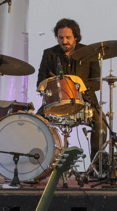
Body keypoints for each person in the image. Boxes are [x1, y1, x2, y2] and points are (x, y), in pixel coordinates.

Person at [36, 18, 104, 158]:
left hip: (84, 101)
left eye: (68, 37)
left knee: (101, 124)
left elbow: (97, 83)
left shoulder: (90, 53)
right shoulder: (49, 54)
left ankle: (96, 164)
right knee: (35, 123)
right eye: (61, 38)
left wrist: (80, 86)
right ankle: (42, 163)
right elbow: (40, 81)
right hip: (56, 102)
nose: (64, 41)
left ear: (76, 37)